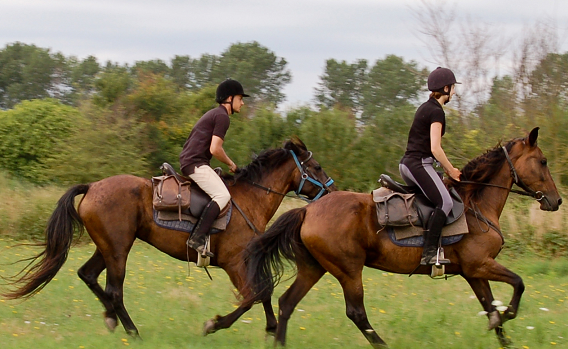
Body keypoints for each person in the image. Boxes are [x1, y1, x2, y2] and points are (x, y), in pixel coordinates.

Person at [399, 67, 462, 266]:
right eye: (452, 88)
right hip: (418, 164)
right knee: (446, 203)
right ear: (445, 88)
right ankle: (429, 253)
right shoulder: (436, 112)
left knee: (437, 196)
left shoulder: (426, 107)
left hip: (409, 164)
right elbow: (435, 148)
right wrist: (451, 170)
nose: (454, 92)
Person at [179, 79, 249, 258]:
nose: (242, 102)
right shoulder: (222, 117)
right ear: (230, 98)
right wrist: (231, 164)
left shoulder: (216, 114)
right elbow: (215, 149)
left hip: (194, 161)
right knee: (223, 195)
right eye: (240, 98)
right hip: (195, 163)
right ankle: (197, 238)